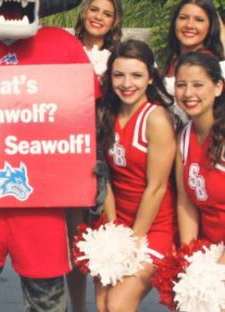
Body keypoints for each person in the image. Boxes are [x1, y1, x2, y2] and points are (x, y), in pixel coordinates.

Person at [95, 40, 176, 312]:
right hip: (118, 219)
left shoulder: (156, 118)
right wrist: (113, 229)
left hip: (154, 226)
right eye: (119, 75)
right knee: (103, 304)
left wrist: (132, 241)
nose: (127, 83)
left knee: (118, 304)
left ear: (151, 78)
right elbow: (105, 177)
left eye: (136, 75)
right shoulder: (106, 113)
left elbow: (157, 187)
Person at [67, 0, 124, 312]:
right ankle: (78, 307)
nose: (99, 17)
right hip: (68, 152)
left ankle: (104, 304)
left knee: (103, 234)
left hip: (106, 152)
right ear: (84, 11)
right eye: (94, 9)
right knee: (74, 238)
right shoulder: (64, 48)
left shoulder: (119, 59)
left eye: (107, 13)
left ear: (115, 22)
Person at [174, 51, 225, 261]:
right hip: (209, 251)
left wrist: (218, 270)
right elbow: (186, 203)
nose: (188, 93)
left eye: (198, 85)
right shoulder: (183, 137)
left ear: (218, 87)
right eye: (181, 85)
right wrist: (189, 258)